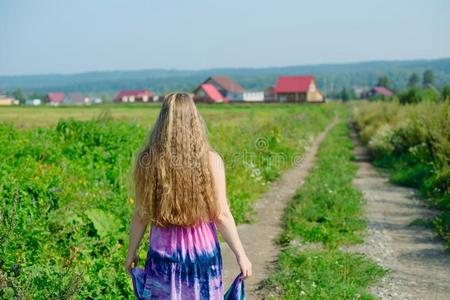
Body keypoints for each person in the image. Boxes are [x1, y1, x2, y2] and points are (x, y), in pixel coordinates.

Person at [125, 92, 252, 299]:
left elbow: (141, 214)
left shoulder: (147, 161)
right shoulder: (211, 161)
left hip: (163, 258)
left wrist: (131, 252)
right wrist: (241, 255)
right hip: (202, 257)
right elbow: (221, 215)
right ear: (195, 120)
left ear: (162, 121)